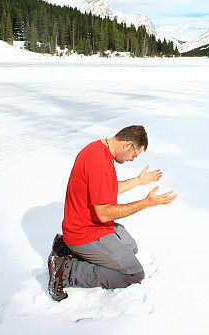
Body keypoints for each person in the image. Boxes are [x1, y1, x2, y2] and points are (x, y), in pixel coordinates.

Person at [48, 125, 177, 301]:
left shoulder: (99, 149)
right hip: (85, 233)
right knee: (133, 273)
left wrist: (139, 180)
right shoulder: (99, 163)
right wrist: (146, 203)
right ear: (128, 144)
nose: (133, 159)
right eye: (134, 155)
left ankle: (70, 249)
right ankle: (67, 271)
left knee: (131, 247)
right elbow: (104, 214)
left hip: (90, 226)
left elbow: (106, 188)